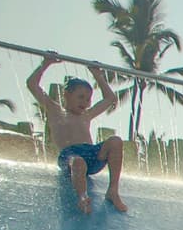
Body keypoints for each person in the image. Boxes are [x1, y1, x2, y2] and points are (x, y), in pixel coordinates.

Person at [26, 53, 126, 214]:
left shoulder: (87, 115)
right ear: (66, 95)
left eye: (88, 99)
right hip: (70, 157)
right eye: (80, 97)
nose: (85, 102)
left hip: (92, 155)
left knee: (116, 141)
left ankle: (113, 190)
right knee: (78, 162)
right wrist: (46, 64)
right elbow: (32, 84)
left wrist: (97, 75)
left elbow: (110, 99)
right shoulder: (55, 110)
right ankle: (82, 197)